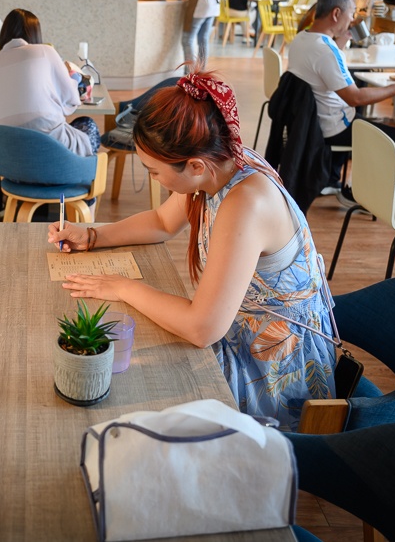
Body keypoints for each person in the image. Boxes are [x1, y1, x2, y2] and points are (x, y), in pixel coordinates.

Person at [49, 70, 338, 430]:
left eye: (154, 173)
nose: (154, 179)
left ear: (195, 166)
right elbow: (161, 222)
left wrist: (123, 287)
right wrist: (92, 236)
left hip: (274, 367)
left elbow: (202, 328)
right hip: (242, 331)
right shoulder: (221, 162)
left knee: (133, 387)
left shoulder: (245, 202)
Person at [286, 0, 395, 200]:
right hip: (332, 127)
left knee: (361, 115)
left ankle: (332, 178)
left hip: (312, 121)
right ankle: (371, 198)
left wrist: (341, 42)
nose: (353, 19)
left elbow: (326, 70)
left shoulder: (301, 39)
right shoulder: (326, 51)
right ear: (336, 13)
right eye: (351, 12)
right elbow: (354, 98)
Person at [0, 8, 100, 156]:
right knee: (87, 124)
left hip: (8, 160)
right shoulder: (45, 52)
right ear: (36, 34)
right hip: (51, 154)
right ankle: (74, 175)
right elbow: (71, 98)